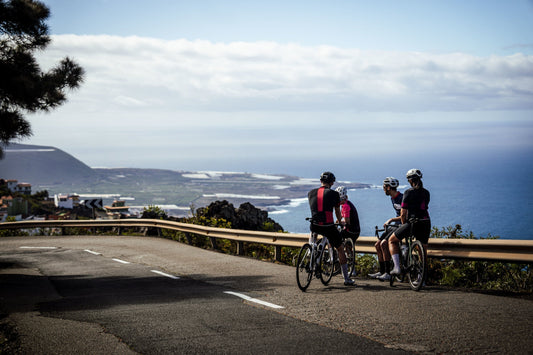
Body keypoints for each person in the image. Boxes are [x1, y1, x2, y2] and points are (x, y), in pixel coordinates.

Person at [308, 172, 355, 286]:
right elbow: (337, 211)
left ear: (321, 181)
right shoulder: (334, 194)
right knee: (340, 248)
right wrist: (339, 222)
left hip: (314, 224)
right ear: (332, 183)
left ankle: (311, 248)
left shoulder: (311, 193)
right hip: (328, 226)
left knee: (313, 232)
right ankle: (346, 278)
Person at [388, 169, 431, 276]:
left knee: (392, 240)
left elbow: (403, 213)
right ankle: (423, 277)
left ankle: (397, 268)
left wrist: (403, 225)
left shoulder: (408, 192)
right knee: (423, 251)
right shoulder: (426, 192)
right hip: (426, 222)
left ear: (411, 180)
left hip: (413, 223)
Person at [369, 177, 403, 281]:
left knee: (384, 243)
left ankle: (388, 273)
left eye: (384, 187)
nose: (383, 189)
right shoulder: (392, 198)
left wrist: (391, 219)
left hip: (400, 226)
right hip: (394, 225)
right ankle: (382, 271)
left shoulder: (401, 198)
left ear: (388, 187)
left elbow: (404, 216)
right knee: (377, 244)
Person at [335, 186, 361, 276]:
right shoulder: (347, 204)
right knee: (348, 248)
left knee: (336, 238)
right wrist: (338, 221)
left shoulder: (345, 206)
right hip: (356, 230)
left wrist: (339, 223)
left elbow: (347, 222)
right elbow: (341, 218)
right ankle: (352, 269)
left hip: (351, 230)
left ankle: (336, 258)